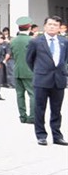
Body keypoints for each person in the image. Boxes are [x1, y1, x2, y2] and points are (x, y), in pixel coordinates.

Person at [27, 16, 67, 146]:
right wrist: (39, 71)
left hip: (59, 80)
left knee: (56, 110)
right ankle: (41, 135)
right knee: (40, 108)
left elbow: (64, 59)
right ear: (45, 26)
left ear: (59, 28)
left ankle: (57, 136)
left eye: (55, 25)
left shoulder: (64, 41)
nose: (52, 27)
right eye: (50, 24)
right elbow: (29, 60)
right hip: (42, 79)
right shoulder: (36, 42)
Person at [8, 17, 35, 125]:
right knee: (32, 94)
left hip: (17, 70)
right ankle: (32, 117)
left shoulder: (13, 41)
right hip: (29, 71)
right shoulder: (32, 40)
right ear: (29, 27)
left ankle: (22, 117)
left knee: (19, 95)